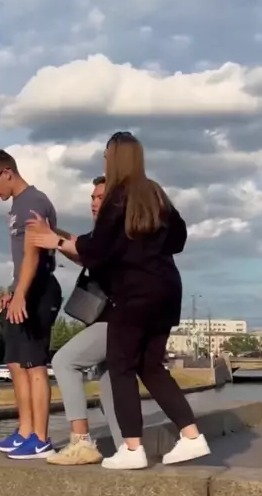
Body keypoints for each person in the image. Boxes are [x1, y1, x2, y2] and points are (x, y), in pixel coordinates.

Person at [27, 132, 210, 470]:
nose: (104, 161)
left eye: (106, 156)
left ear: (114, 159)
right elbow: (179, 239)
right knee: (150, 367)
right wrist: (144, 245)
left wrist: (56, 241)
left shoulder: (118, 197)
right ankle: (191, 435)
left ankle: (132, 448)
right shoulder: (155, 193)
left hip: (134, 295)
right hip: (167, 291)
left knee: (120, 367)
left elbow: (96, 250)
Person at [0, 149, 62, 459]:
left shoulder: (34, 202)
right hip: (23, 290)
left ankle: (41, 439)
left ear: (7, 173)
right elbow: (20, 259)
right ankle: (24, 432)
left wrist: (22, 294)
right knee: (15, 362)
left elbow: (33, 254)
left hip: (39, 290)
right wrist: (13, 291)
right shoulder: (16, 206)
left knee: (34, 364)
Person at [48, 175, 122, 466]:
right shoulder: (106, 232)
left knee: (65, 361)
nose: (94, 202)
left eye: (101, 197)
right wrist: (53, 232)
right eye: (92, 197)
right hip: (113, 319)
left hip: (117, 319)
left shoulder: (115, 232)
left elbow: (85, 252)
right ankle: (127, 447)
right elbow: (82, 252)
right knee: (110, 386)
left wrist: (53, 238)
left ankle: (81, 441)